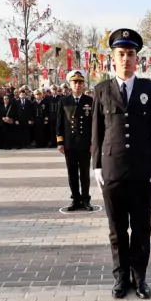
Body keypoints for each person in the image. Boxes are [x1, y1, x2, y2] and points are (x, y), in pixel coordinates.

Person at [91, 28, 151, 300]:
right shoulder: (101, 90)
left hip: (142, 171)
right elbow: (97, 131)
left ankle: (140, 278)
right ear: (113, 58)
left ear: (138, 60)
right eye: (120, 54)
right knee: (117, 229)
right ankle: (121, 278)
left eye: (130, 54)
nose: (125, 59)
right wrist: (96, 165)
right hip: (112, 169)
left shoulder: (150, 89)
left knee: (142, 228)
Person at [57, 70, 95, 211]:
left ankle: (86, 199)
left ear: (84, 84)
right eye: (75, 82)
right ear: (70, 84)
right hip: (70, 144)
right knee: (72, 173)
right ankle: (75, 199)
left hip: (85, 145)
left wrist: (93, 143)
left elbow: (94, 124)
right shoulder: (64, 101)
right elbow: (59, 124)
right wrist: (60, 142)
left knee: (84, 173)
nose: (77, 85)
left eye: (80, 82)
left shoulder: (90, 101)